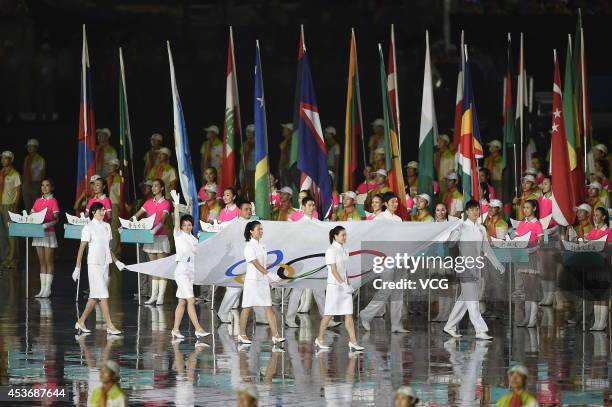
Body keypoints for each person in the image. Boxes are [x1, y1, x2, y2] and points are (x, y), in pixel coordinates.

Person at [443, 199, 504, 340]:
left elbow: (486, 249)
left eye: (477, 209)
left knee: (464, 300)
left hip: (477, 267)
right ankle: (480, 330)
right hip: (465, 267)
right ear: (466, 212)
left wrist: (497, 264)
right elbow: (451, 243)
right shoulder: (462, 226)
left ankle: (449, 326)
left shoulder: (481, 228)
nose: (475, 212)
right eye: (472, 210)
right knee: (473, 300)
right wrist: (456, 231)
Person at [73, 202, 125, 335]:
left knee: (94, 297)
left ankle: (81, 321)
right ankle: (110, 325)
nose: (103, 212)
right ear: (92, 212)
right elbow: (81, 248)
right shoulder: (88, 228)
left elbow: (108, 248)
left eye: (103, 210)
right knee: (103, 294)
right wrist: (77, 267)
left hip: (105, 264)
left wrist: (117, 261)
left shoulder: (107, 226)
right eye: (100, 211)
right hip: (94, 265)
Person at [360, 192, 408, 333]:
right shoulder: (379, 219)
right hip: (385, 258)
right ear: (385, 204)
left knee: (398, 291)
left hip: (398, 257)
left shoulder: (399, 219)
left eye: (397, 202)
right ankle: (366, 314)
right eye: (392, 202)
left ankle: (396, 324)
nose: (395, 204)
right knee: (386, 289)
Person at [169, 190, 211, 340]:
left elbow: (197, 254)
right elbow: (176, 220)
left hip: (190, 271)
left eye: (189, 225)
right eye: (184, 224)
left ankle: (175, 329)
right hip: (181, 270)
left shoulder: (194, 239)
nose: (187, 227)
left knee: (181, 301)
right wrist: (176, 205)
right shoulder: (178, 234)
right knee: (191, 300)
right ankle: (198, 329)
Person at [314, 226, 364, 352]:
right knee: (329, 314)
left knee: (348, 314)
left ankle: (353, 341)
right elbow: (334, 270)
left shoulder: (344, 250)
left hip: (344, 286)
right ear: (335, 236)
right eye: (342, 235)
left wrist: (348, 283)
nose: (345, 237)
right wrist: (343, 285)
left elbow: (344, 270)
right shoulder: (331, 250)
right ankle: (319, 339)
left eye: (345, 235)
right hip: (334, 287)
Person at [237, 221, 285, 345]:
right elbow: (256, 264)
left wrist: (269, 278)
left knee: (269, 307)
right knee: (247, 307)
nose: (261, 231)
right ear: (251, 232)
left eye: (262, 229)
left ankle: (276, 335)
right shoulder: (248, 247)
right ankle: (241, 334)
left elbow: (263, 264)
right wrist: (269, 275)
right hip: (252, 282)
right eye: (259, 229)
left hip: (262, 281)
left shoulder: (262, 246)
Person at [285, 196, 329, 328]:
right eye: (309, 205)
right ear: (303, 207)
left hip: (315, 259)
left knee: (319, 289)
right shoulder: (297, 224)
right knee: (297, 289)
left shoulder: (318, 223)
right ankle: (290, 318)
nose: (312, 207)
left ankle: (326, 318)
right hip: (302, 260)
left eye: (313, 205)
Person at [132, 179, 172, 305]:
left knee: (161, 268)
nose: (153, 188)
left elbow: (164, 219)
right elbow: (136, 215)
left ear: (161, 188)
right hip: (149, 238)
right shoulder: (148, 202)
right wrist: (126, 224)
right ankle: (153, 295)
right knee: (154, 268)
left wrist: (155, 229)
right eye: (152, 186)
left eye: (156, 186)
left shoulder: (166, 203)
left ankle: (161, 296)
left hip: (160, 237)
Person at [514, 200, 544, 328]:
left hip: (533, 258)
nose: (525, 210)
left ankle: (533, 319)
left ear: (534, 208)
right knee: (526, 289)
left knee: (532, 289)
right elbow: (516, 238)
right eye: (524, 208)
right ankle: (526, 318)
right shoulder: (521, 223)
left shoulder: (537, 224)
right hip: (522, 258)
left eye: (528, 207)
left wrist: (531, 249)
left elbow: (541, 241)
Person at [32, 179, 60, 298]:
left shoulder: (53, 201)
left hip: (48, 233)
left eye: (47, 185)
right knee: (42, 262)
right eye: (42, 185)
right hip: (38, 233)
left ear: (52, 187)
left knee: (49, 261)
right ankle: (42, 289)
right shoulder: (38, 201)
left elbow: (56, 219)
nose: (44, 187)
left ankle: (48, 289)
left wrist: (46, 225)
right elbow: (32, 215)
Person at [585, 207, 611, 331]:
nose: (595, 217)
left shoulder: (609, 232)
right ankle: (596, 321)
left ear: (604, 217)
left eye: (597, 215)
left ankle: (603, 322)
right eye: (594, 215)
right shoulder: (592, 231)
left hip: (604, 265)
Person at [0, 151, 21, 270]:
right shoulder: (1, 173)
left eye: (5, 158)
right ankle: (5, 258)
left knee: (11, 233)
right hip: (1, 204)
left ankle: (13, 259)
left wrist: (15, 205)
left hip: (9, 205)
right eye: (2, 158)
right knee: (3, 233)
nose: (3, 160)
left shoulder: (15, 174)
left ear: (11, 160)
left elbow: (18, 190)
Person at [22, 138, 46, 211]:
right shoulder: (27, 158)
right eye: (28, 146)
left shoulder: (40, 159)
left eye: (30, 146)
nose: (28, 148)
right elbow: (24, 171)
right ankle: (29, 220)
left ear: (36, 147)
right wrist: (23, 184)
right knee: (27, 205)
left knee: (36, 205)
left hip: (35, 184)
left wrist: (41, 187)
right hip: (26, 183)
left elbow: (42, 174)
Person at [241, 124, 256, 201]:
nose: (248, 134)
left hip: (255, 171)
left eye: (250, 132)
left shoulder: (258, 144)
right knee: (245, 188)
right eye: (247, 132)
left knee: (254, 190)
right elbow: (242, 158)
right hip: (246, 170)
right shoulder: (244, 144)